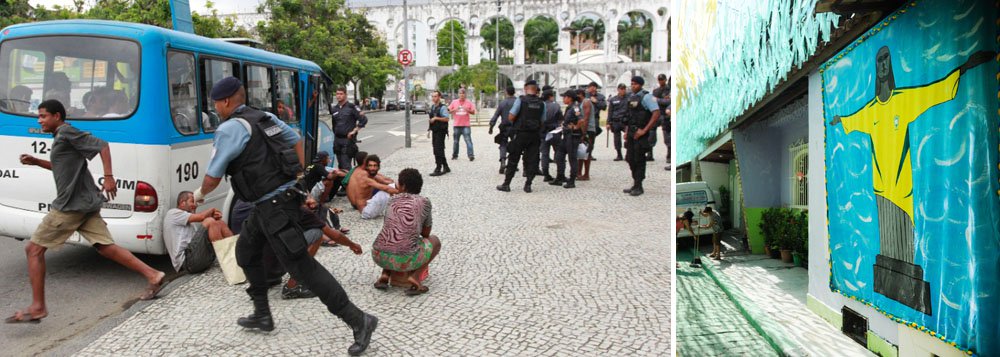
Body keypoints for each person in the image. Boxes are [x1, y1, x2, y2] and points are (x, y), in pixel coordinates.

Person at [195, 77, 377, 355]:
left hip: (274, 206)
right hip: (273, 202)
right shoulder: (264, 117)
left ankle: (359, 320)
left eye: (217, 103)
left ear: (227, 101)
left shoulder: (230, 128)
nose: (216, 108)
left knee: (303, 268)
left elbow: (213, 176)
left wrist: (198, 196)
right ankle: (262, 314)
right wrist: (296, 177)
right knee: (245, 252)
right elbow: (296, 140)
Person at [8, 100, 166, 324]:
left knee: (33, 250)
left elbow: (102, 145)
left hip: (71, 207)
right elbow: (63, 166)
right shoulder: (62, 138)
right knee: (105, 247)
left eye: (43, 116)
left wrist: (109, 177)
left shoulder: (66, 132)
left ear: (57, 116)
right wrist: (36, 161)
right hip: (85, 203)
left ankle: (37, 306)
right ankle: (153, 275)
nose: (39, 120)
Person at [371, 168, 442, 296]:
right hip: (405, 257)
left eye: (398, 183)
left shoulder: (392, 200)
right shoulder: (424, 202)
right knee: (435, 241)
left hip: (378, 255)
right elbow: (426, 234)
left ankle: (385, 274)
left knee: (391, 235)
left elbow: (388, 226)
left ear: (403, 186)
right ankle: (415, 276)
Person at [164, 191, 233, 273]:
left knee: (219, 222)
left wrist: (214, 219)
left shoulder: (191, 225)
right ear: (182, 203)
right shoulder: (172, 213)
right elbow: (201, 217)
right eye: (192, 201)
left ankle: (234, 256)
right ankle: (227, 262)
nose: (195, 205)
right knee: (210, 221)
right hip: (187, 262)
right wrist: (212, 210)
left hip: (198, 258)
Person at [496, 80, 544, 193]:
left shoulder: (521, 100)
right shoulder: (541, 103)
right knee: (532, 159)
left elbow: (511, 117)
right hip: (534, 135)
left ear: (525, 88)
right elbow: (543, 120)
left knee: (513, 158)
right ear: (536, 89)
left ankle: (506, 184)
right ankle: (528, 185)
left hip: (520, 133)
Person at [623, 76, 662, 197]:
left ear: (640, 85)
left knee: (639, 159)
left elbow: (656, 113)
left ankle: (639, 185)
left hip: (641, 134)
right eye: (631, 84)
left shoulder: (647, 97)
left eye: (635, 84)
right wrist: (626, 131)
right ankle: (635, 182)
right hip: (631, 132)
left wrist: (645, 130)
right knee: (630, 158)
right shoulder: (631, 97)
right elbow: (630, 116)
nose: (632, 86)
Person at [550, 90, 584, 188]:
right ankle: (560, 177)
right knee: (559, 155)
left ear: (569, 98)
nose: (563, 99)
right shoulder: (569, 108)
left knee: (572, 158)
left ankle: (572, 180)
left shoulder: (576, 107)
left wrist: (576, 127)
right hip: (566, 136)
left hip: (573, 136)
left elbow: (581, 119)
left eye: (564, 97)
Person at [346, 155, 398, 220]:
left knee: (392, 186)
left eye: (375, 166)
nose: (372, 168)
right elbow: (386, 188)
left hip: (369, 208)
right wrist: (402, 192)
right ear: (366, 167)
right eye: (370, 166)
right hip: (366, 212)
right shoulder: (365, 178)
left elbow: (385, 181)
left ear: (378, 167)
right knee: (389, 188)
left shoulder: (371, 175)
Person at [330, 87, 367, 171]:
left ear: (345, 95)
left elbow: (363, 119)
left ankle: (348, 183)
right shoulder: (334, 109)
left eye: (341, 94)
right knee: (340, 166)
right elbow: (334, 124)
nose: (338, 96)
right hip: (337, 140)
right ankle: (343, 183)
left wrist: (354, 131)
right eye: (337, 94)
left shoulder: (352, 107)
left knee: (346, 166)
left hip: (347, 140)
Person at [489, 87, 516, 174]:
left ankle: (503, 161)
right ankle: (512, 164)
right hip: (515, 127)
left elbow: (496, 115)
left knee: (503, 145)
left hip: (504, 127)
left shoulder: (502, 103)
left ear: (506, 92)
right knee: (515, 146)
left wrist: (491, 127)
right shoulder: (518, 102)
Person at [539, 88, 563, 182]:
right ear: (550, 97)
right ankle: (560, 173)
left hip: (543, 132)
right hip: (554, 131)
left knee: (544, 154)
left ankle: (546, 173)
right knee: (558, 152)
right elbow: (560, 118)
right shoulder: (556, 106)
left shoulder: (541, 105)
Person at [427, 91, 451, 176]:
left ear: (439, 97)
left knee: (438, 149)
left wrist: (436, 118)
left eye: (436, 96)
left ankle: (438, 168)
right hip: (435, 131)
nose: (434, 98)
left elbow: (446, 119)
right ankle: (446, 166)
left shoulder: (443, 107)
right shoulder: (433, 107)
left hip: (441, 131)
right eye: (433, 96)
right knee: (438, 149)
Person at [448, 88, 476, 161]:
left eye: (463, 93)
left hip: (466, 125)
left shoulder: (469, 102)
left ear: (465, 94)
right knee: (456, 141)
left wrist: (468, 110)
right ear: (458, 94)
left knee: (468, 140)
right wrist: (455, 109)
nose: (462, 95)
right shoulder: (454, 102)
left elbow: (473, 112)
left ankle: (471, 155)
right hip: (456, 125)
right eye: (460, 93)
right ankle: (455, 155)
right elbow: (448, 111)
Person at [584, 82, 607, 162]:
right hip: (585, 118)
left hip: (595, 118)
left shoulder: (600, 97)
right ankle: (584, 152)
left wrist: (596, 101)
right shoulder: (585, 95)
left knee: (592, 136)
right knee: (583, 135)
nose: (592, 89)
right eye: (591, 87)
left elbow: (604, 107)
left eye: (594, 87)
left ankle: (589, 153)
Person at [575, 89, 594, 181]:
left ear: (580, 94)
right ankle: (579, 172)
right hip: (583, 129)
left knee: (586, 152)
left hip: (588, 130)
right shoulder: (581, 103)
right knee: (581, 151)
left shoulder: (586, 102)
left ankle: (586, 174)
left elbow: (586, 118)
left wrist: (584, 133)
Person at [607, 84, 629, 161]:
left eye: (624, 89)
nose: (622, 90)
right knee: (617, 139)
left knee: (628, 137)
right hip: (616, 121)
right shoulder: (613, 99)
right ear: (618, 89)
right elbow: (610, 111)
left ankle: (628, 154)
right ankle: (619, 154)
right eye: (621, 89)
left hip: (626, 121)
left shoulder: (629, 98)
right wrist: (608, 123)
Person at [653, 74, 670, 170]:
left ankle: (669, 155)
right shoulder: (656, 91)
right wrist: (661, 100)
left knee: (667, 136)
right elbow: (653, 101)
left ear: (665, 80)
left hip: (665, 115)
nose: (660, 81)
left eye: (662, 79)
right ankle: (650, 153)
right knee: (651, 133)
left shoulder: (669, 89)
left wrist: (658, 100)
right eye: (659, 79)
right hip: (657, 114)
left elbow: (668, 102)